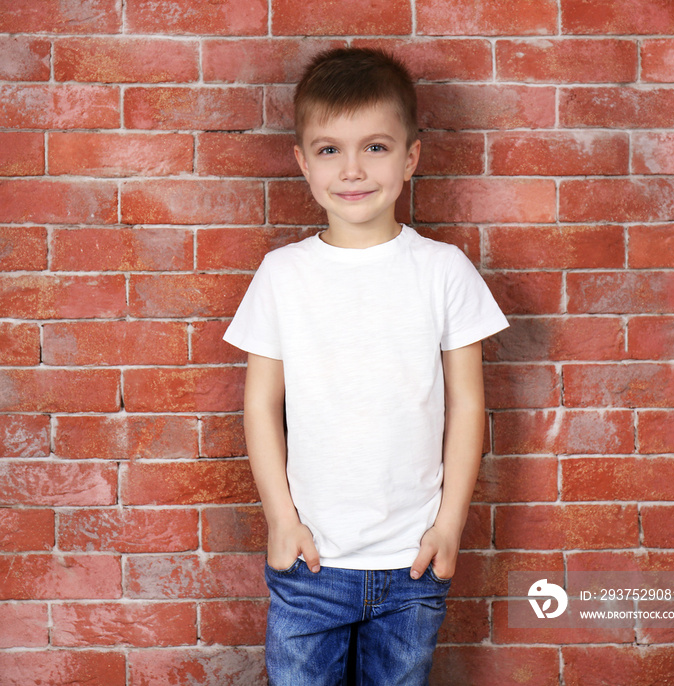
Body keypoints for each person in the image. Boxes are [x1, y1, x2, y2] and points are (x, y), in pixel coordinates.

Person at [224, 47, 509, 685]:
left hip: (413, 562)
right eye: (329, 150)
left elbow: (468, 406)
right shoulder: (284, 276)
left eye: (375, 148)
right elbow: (261, 404)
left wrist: (450, 525)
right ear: (301, 161)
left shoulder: (443, 271)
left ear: (410, 155)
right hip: (311, 564)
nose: (352, 169)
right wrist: (280, 519)